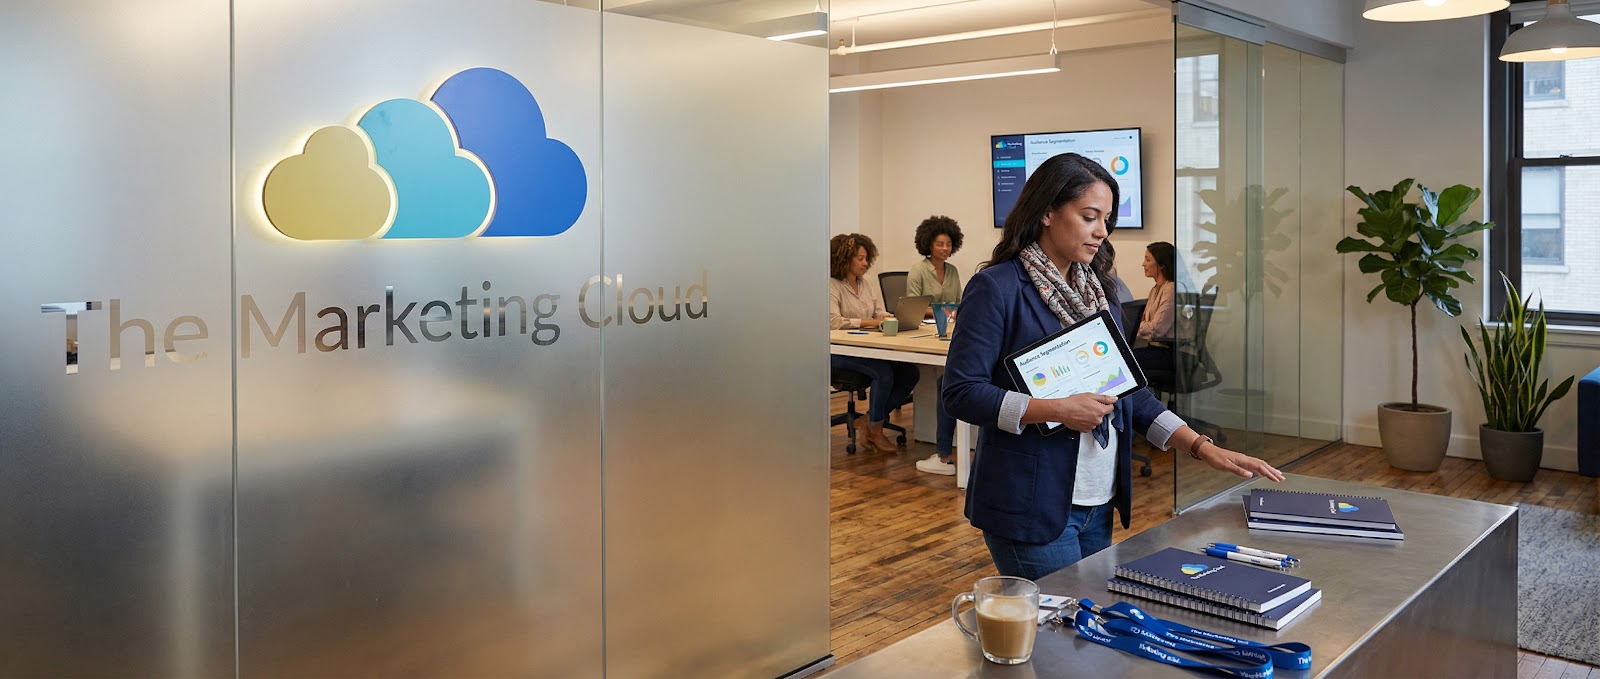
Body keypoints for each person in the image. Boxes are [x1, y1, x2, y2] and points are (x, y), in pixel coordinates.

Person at [941, 153, 1283, 581]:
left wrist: (1201, 447)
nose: (1101, 231)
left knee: (1083, 635)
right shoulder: (998, 287)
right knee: (1060, 633)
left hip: (1098, 498)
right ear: (1047, 212)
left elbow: (1129, 393)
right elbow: (961, 392)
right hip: (1030, 502)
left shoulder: (1099, 289)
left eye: (1106, 219)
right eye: (1089, 217)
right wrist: (1057, 409)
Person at [830, 233, 919, 453]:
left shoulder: (864, 284)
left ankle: (868, 420)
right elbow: (833, 322)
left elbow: (877, 310)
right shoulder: (832, 285)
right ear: (844, 258)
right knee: (883, 372)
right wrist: (871, 322)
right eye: (860, 258)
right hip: (837, 352)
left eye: (866, 258)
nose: (865, 263)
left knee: (910, 373)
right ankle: (877, 430)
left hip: (865, 349)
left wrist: (889, 317)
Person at [905, 216, 965, 476]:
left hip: (948, 331)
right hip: (922, 330)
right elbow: (914, 305)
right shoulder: (918, 270)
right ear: (928, 244)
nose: (944, 249)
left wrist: (949, 311)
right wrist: (942, 310)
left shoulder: (952, 271)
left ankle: (942, 453)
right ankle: (942, 452)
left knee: (946, 380)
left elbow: (960, 303)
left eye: (948, 244)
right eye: (940, 244)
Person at [1132, 241, 1177, 375]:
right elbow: (1146, 323)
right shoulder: (1155, 290)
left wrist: (1134, 328)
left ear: (1161, 265)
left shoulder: (1171, 289)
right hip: (1154, 349)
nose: (1143, 264)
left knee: (1123, 359)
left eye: (1148, 259)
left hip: (1168, 353)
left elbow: (1157, 329)